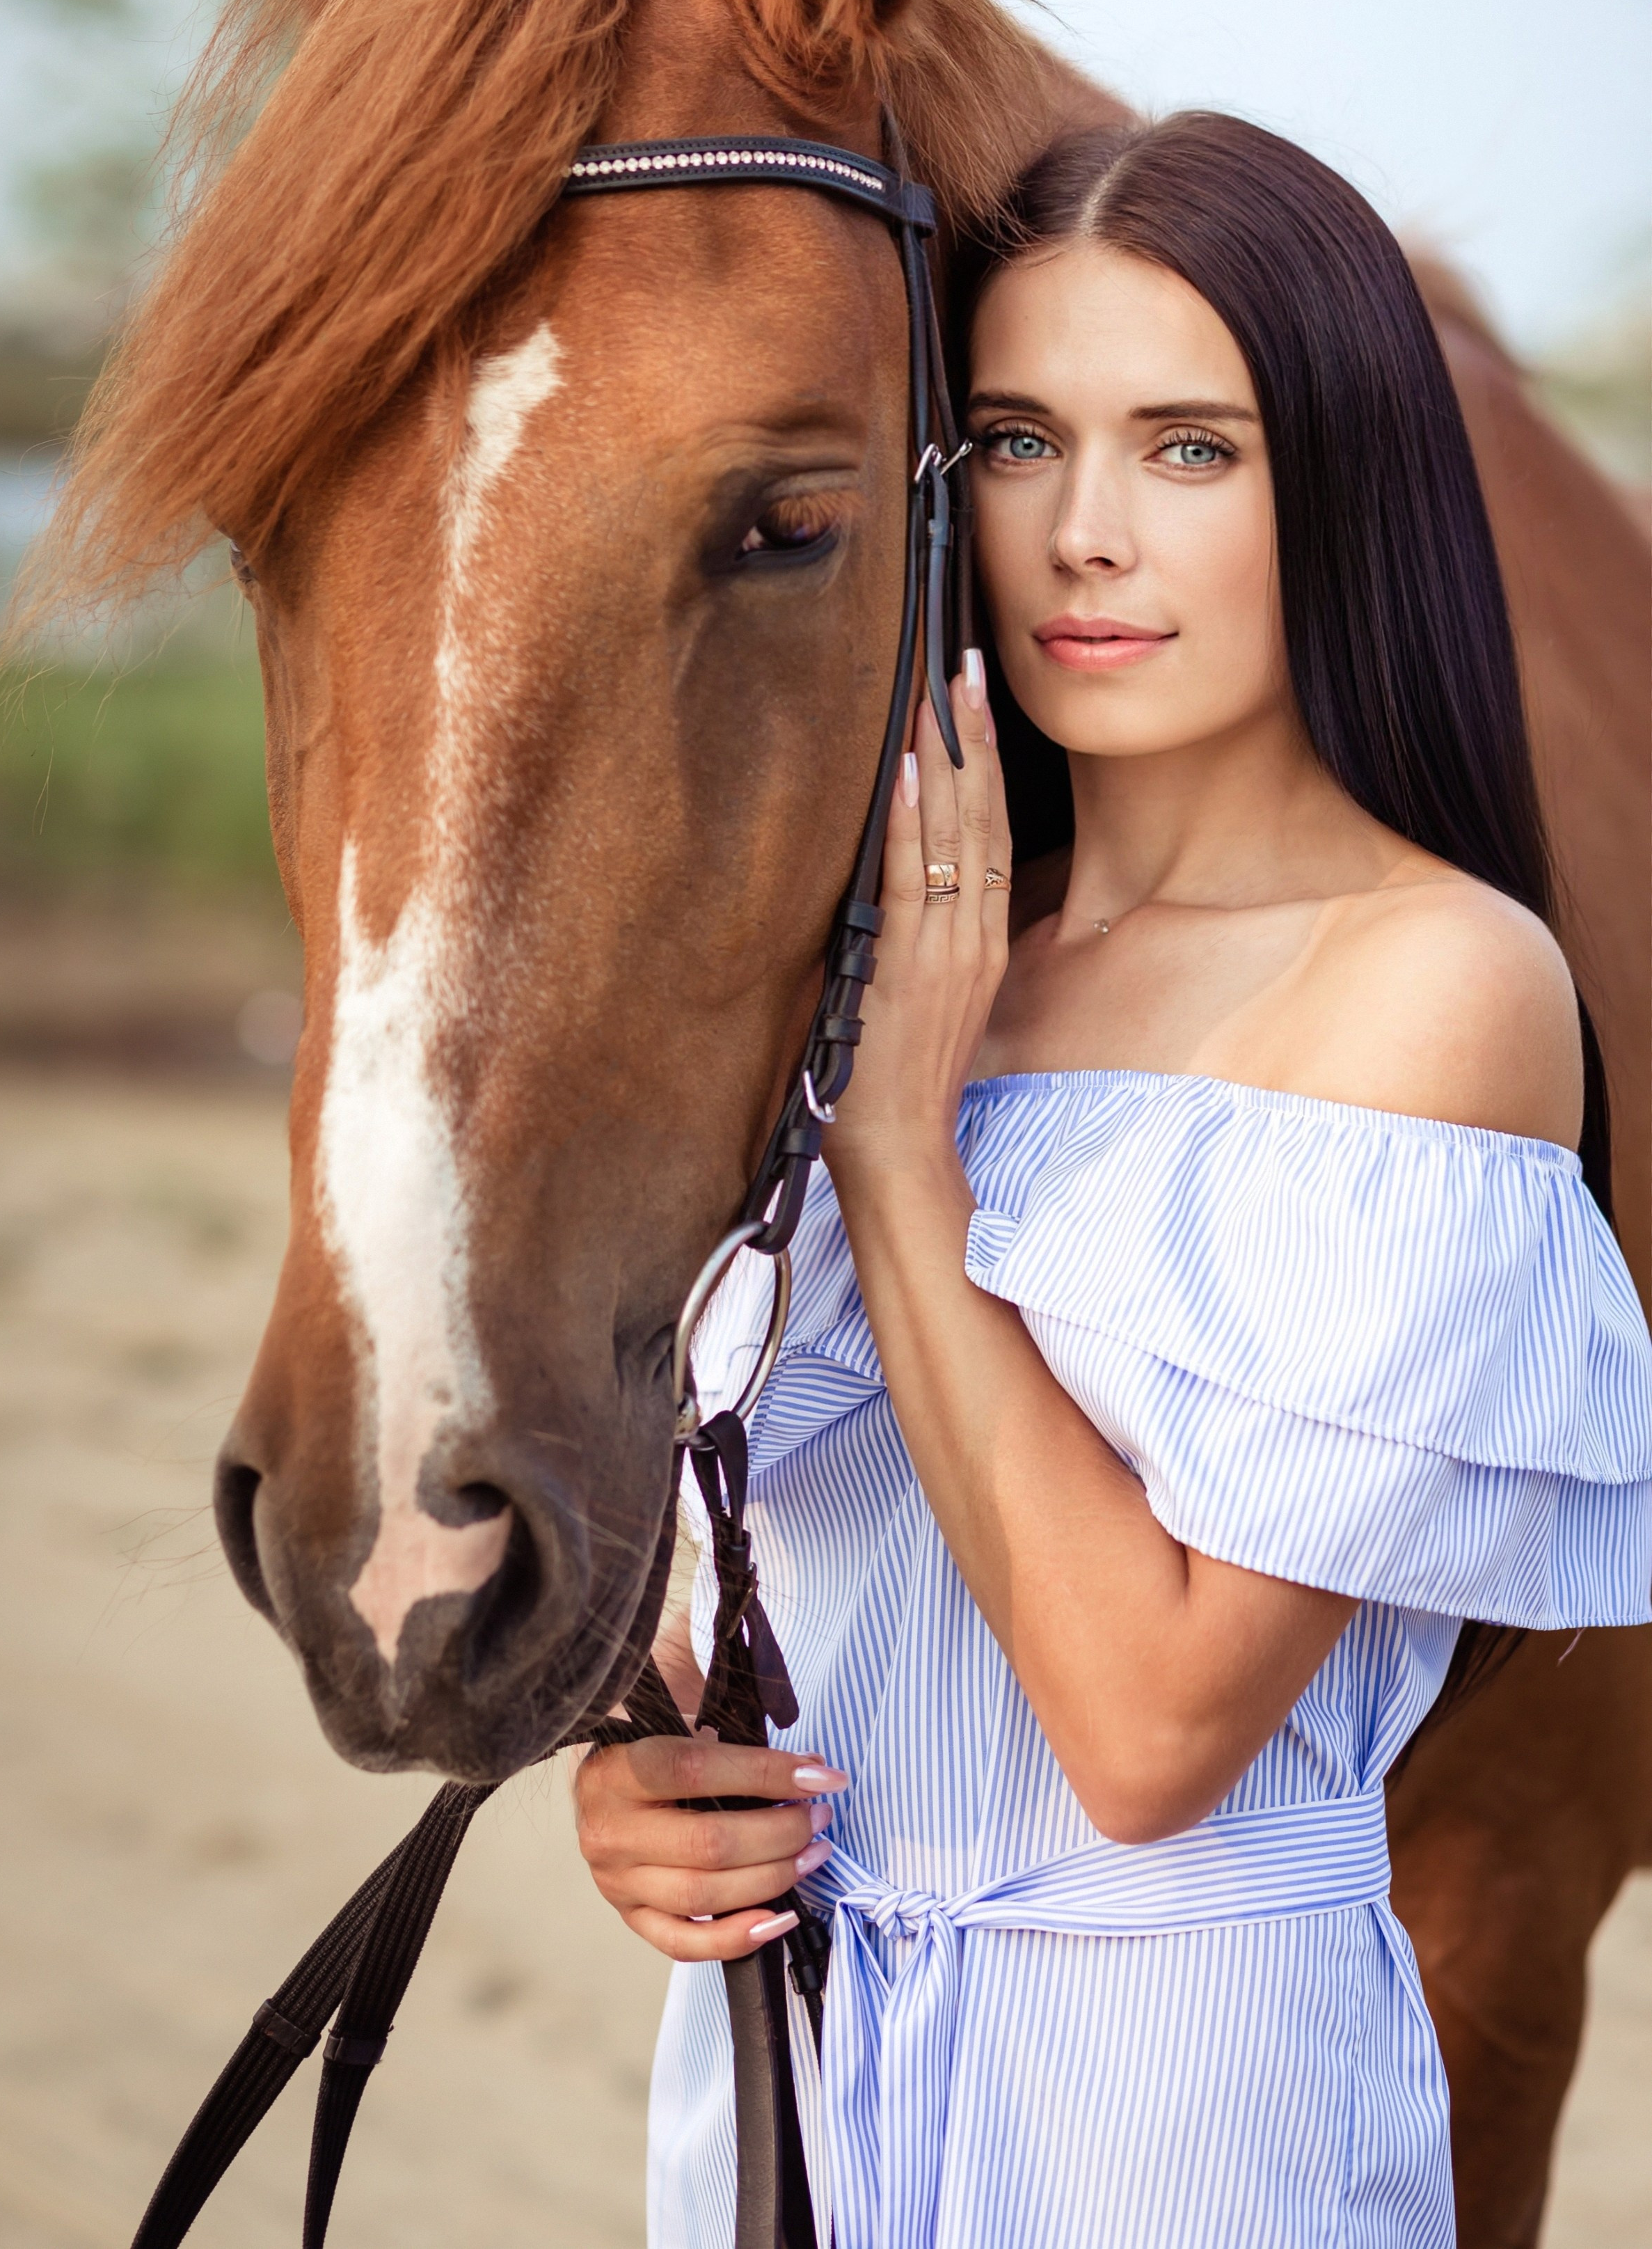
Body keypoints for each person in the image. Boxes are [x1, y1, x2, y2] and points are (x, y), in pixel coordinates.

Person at [573, 112, 1652, 2248]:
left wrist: (898, 1154)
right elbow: (787, 1575)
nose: (1081, 534)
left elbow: (1149, 1728)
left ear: (1336, 482)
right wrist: (655, 1788)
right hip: (790, 2087)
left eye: (1187, 448)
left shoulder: (1433, 983)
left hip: (1171, 2121)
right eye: (1008, 442)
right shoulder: (916, 948)